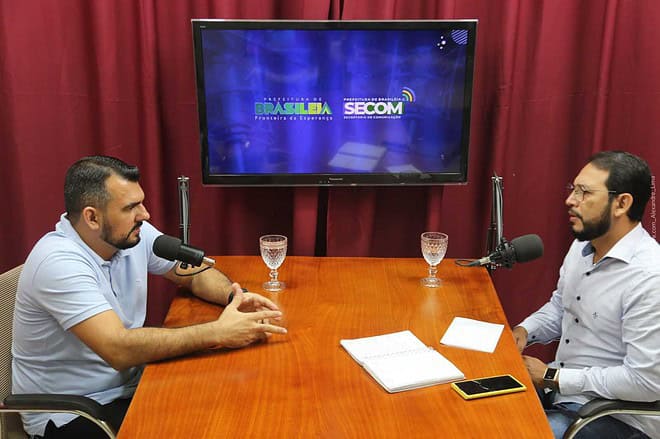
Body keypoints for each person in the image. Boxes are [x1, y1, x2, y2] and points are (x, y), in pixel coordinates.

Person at [12, 155, 287, 438]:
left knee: (233, 403)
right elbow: (118, 349)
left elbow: (194, 274)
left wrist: (236, 298)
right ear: (92, 217)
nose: (144, 215)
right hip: (74, 412)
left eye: (141, 202)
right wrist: (218, 332)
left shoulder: (131, 234)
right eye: (130, 207)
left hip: (132, 387)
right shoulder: (58, 263)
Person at [512, 151, 660, 439]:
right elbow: (561, 306)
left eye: (584, 192)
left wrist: (553, 377)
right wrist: (525, 331)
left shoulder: (649, 276)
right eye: (573, 189)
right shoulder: (583, 246)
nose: (571, 200)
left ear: (622, 203)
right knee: (479, 408)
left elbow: (645, 381)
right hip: (562, 392)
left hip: (618, 416)